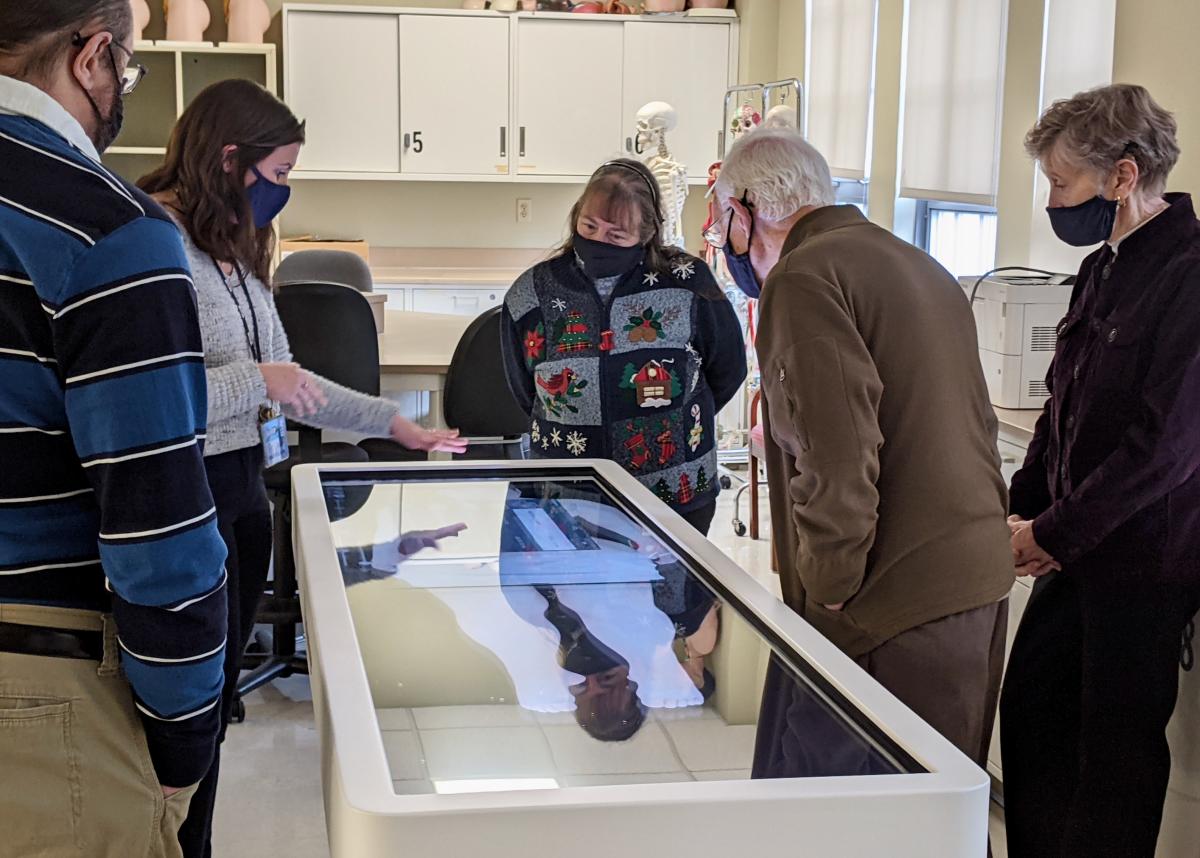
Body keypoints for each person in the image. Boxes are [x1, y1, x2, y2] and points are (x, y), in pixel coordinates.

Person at [136, 78, 466, 858]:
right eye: (278, 175)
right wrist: (259, 384)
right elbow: (149, 398)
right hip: (185, 500)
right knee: (180, 718)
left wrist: (396, 424)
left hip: (242, 491)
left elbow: (296, 385)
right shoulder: (152, 242)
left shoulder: (235, 251)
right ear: (229, 160)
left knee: (212, 712)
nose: (282, 193)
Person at [710, 129, 1014, 773]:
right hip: (972, 587)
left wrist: (829, 590)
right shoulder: (914, 261)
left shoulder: (802, 277)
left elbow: (839, 455)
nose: (722, 245)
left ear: (745, 211)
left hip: (890, 604)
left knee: (846, 814)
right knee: (937, 813)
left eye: (718, 227)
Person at [0, 2, 229, 856]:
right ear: (93, 55)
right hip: (38, 687)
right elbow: (159, 536)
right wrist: (181, 739)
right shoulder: (105, 229)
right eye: (126, 72)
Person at [1000, 84, 1200, 858]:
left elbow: (1165, 447)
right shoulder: (1100, 269)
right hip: (1071, 550)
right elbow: (1062, 408)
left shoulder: (1186, 274)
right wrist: (1023, 516)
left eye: (1061, 184)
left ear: (1122, 177)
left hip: (1144, 565)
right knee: (1033, 720)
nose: (1054, 201)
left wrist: (1056, 531)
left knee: (1112, 760)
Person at [499, 159, 747, 538]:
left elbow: (727, 368)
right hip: (568, 494)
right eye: (589, 226)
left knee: (671, 595)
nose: (599, 241)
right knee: (571, 597)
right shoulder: (533, 291)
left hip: (674, 491)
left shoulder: (687, 283)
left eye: (616, 236)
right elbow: (522, 386)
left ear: (647, 233)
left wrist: (678, 419)